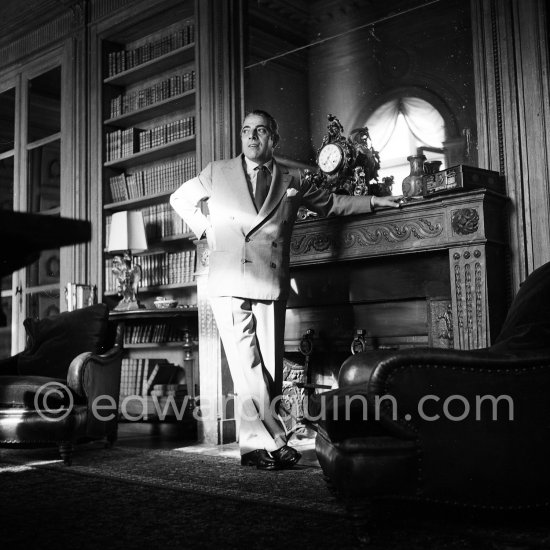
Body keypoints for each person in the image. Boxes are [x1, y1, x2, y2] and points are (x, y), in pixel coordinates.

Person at [170, 109, 402, 470]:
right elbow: (179, 200)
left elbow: (333, 203)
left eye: (260, 130)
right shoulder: (217, 172)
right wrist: (207, 230)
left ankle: (252, 448)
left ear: (273, 139)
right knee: (247, 365)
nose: (251, 136)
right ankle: (276, 442)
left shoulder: (293, 177)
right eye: (246, 130)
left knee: (269, 369)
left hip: (270, 278)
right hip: (229, 278)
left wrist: (373, 201)